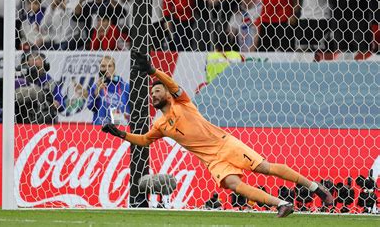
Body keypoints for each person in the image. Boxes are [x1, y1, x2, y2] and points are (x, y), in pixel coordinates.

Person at [102, 50, 334, 218]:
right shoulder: (161, 125)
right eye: (151, 93)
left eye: (157, 90)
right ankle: (282, 204)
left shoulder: (183, 103)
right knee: (234, 184)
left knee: (265, 168)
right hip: (212, 161)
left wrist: (153, 71)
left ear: (167, 94)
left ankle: (315, 187)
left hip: (226, 145)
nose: (153, 95)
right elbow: (143, 141)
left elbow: (172, 83)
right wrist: (119, 134)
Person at [87, 55, 130, 125]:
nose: (106, 69)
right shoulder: (96, 86)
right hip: (100, 127)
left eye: (109, 66)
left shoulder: (126, 87)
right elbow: (90, 107)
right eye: (103, 66)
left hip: (120, 127)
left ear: (114, 68)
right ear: (100, 68)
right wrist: (96, 93)